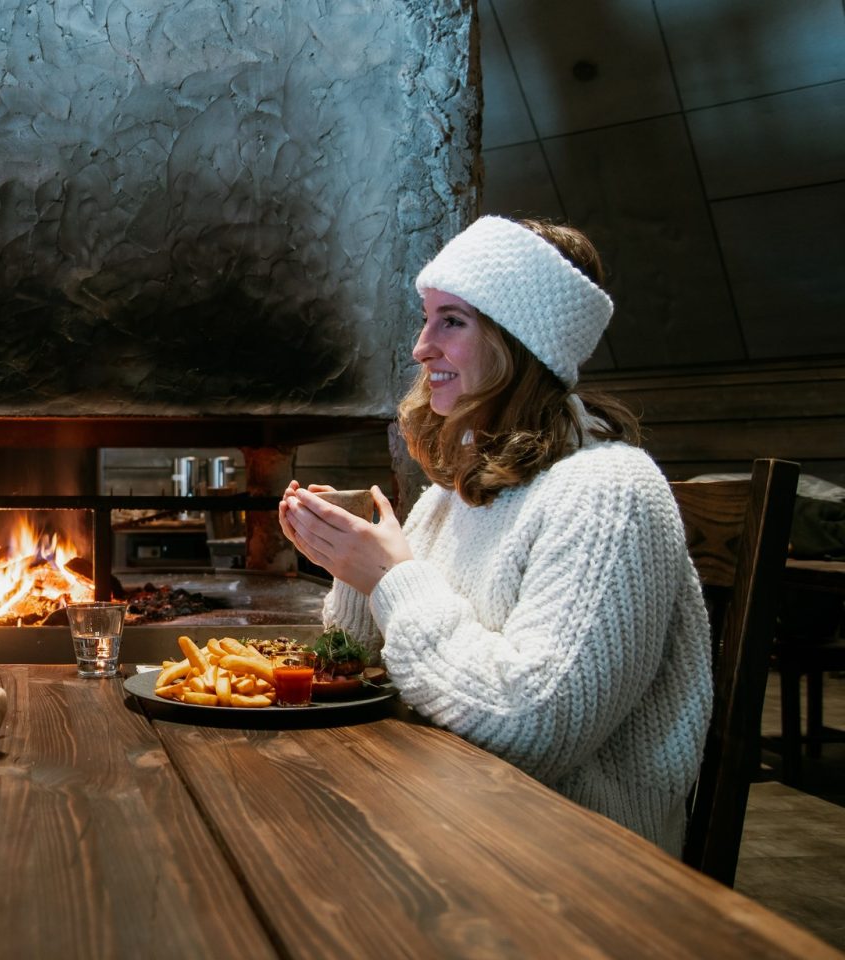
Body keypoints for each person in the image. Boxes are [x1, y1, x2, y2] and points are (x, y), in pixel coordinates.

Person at [278, 216, 712, 854]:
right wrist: (350, 562)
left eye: (451, 321)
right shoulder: (452, 498)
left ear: (521, 340)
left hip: (569, 863)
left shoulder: (610, 493)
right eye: (426, 319)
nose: (422, 348)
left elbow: (534, 726)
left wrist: (391, 579)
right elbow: (367, 665)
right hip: (441, 816)